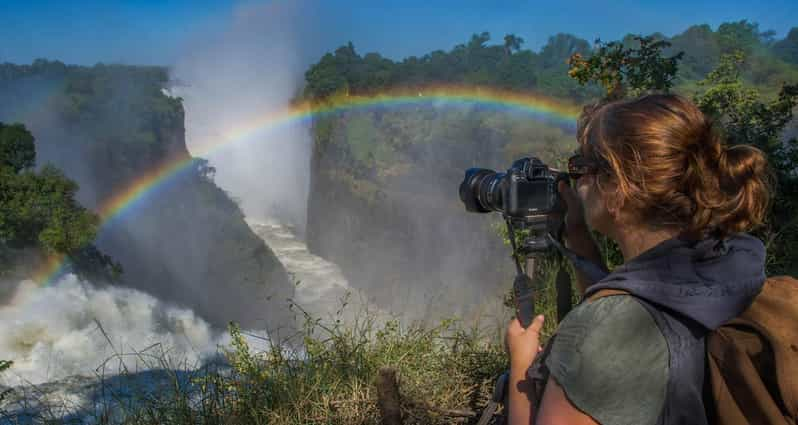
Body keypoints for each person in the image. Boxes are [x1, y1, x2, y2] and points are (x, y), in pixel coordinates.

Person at [505, 93, 774, 425]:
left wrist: (520, 367)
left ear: (618, 187)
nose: (576, 183)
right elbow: (633, 303)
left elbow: (616, 324)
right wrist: (577, 231)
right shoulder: (733, 259)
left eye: (581, 168)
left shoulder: (606, 330)